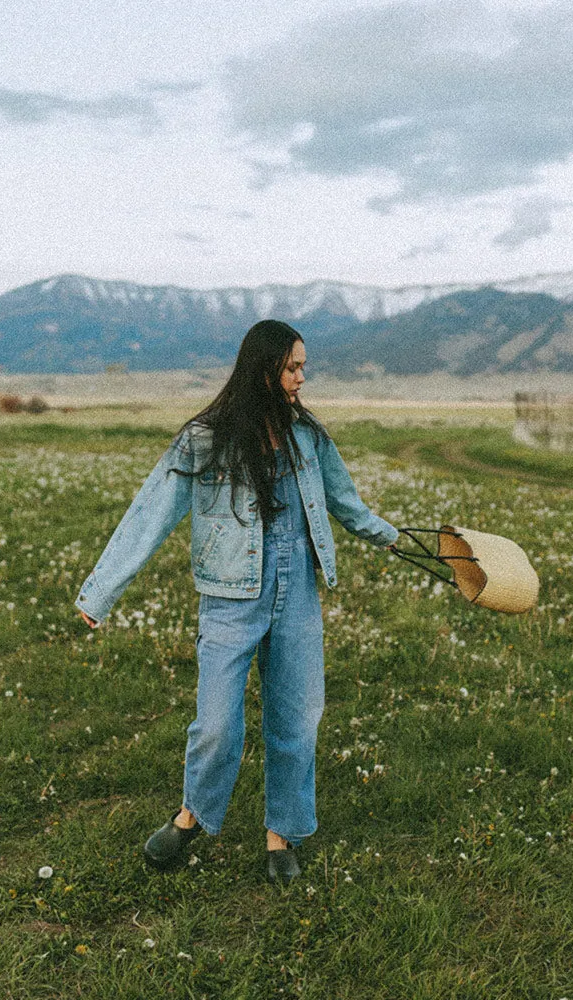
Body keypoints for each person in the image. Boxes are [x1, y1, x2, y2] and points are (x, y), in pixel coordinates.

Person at [75, 319, 398, 883]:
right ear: (263, 367)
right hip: (229, 596)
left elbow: (347, 504)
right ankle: (191, 817)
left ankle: (282, 837)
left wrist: (397, 538)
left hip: (296, 590)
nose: (302, 377)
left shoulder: (309, 437)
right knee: (218, 723)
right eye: (293, 366)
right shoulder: (204, 438)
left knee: (297, 718)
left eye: (303, 366)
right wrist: (101, 591)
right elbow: (150, 514)